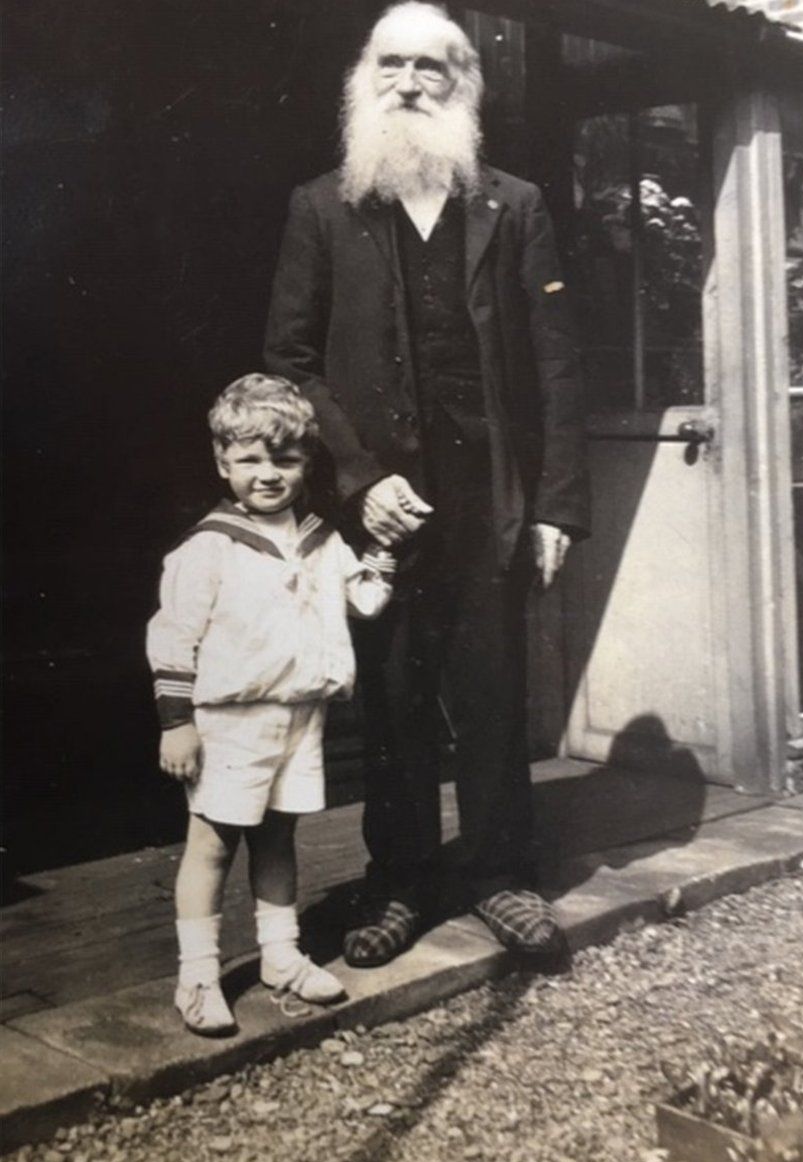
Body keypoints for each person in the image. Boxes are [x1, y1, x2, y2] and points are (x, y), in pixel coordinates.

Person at [264, 2, 589, 967]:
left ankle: (499, 875)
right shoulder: (322, 207)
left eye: (431, 68)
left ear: (463, 85)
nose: (409, 82)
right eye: (392, 65)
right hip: (380, 507)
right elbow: (290, 363)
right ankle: (399, 882)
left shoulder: (515, 205)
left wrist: (558, 504)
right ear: (367, 79)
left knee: (491, 693)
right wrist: (357, 482)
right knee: (394, 700)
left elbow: (557, 369)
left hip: (487, 494)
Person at [147, 373, 395, 1034]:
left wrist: (384, 555)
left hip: (299, 718)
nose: (267, 474)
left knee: (279, 837)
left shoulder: (320, 539)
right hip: (229, 723)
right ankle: (197, 976)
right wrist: (177, 725)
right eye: (250, 459)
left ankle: (280, 956)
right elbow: (172, 639)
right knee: (212, 845)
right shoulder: (209, 547)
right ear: (222, 461)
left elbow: (365, 600)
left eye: (284, 459)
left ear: (306, 462)